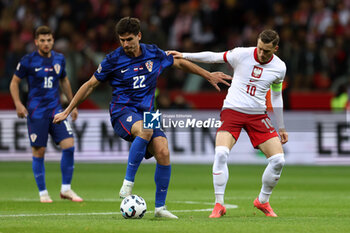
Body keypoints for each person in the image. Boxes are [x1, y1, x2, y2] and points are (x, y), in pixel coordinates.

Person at [53, 17, 231, 218]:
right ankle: (128, 184)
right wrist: (67, 110)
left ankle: (160, 209)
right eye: (122, 40)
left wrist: (208, 76)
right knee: (145, 130)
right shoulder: (113, 59)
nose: (126, 44)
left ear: (139, 36)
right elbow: (90, 85)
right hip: (123, 110)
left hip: (149, 112)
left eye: (129, 39)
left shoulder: (153, 52)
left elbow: (179, 62)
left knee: (163, 151)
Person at [168, 29, 288, 218]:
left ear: (275, 48)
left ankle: (263, 201)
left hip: (258, 115)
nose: (262, 54)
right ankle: (219, 204)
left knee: (278, 160)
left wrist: (281, 126)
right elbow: (213, 57)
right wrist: (184, 54)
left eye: (267, 51)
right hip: (233, 110)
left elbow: (276, 95)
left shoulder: (280, 67)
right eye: (260, 48)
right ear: (257, 43)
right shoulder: (241, 54)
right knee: (221, 153)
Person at [9, 26, 83, 203]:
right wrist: (18, 104)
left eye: (49, 40)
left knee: (69, 145)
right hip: (36, 112)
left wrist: (72, 105)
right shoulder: (28, 61)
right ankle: (43, 193)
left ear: (52, 40)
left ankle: (66, 189)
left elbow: (64, 80)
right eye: (42, 40)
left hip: (56, 110)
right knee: (39, 150)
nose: (46, 43)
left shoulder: (59, 59)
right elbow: (14, 83)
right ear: (36, 42)